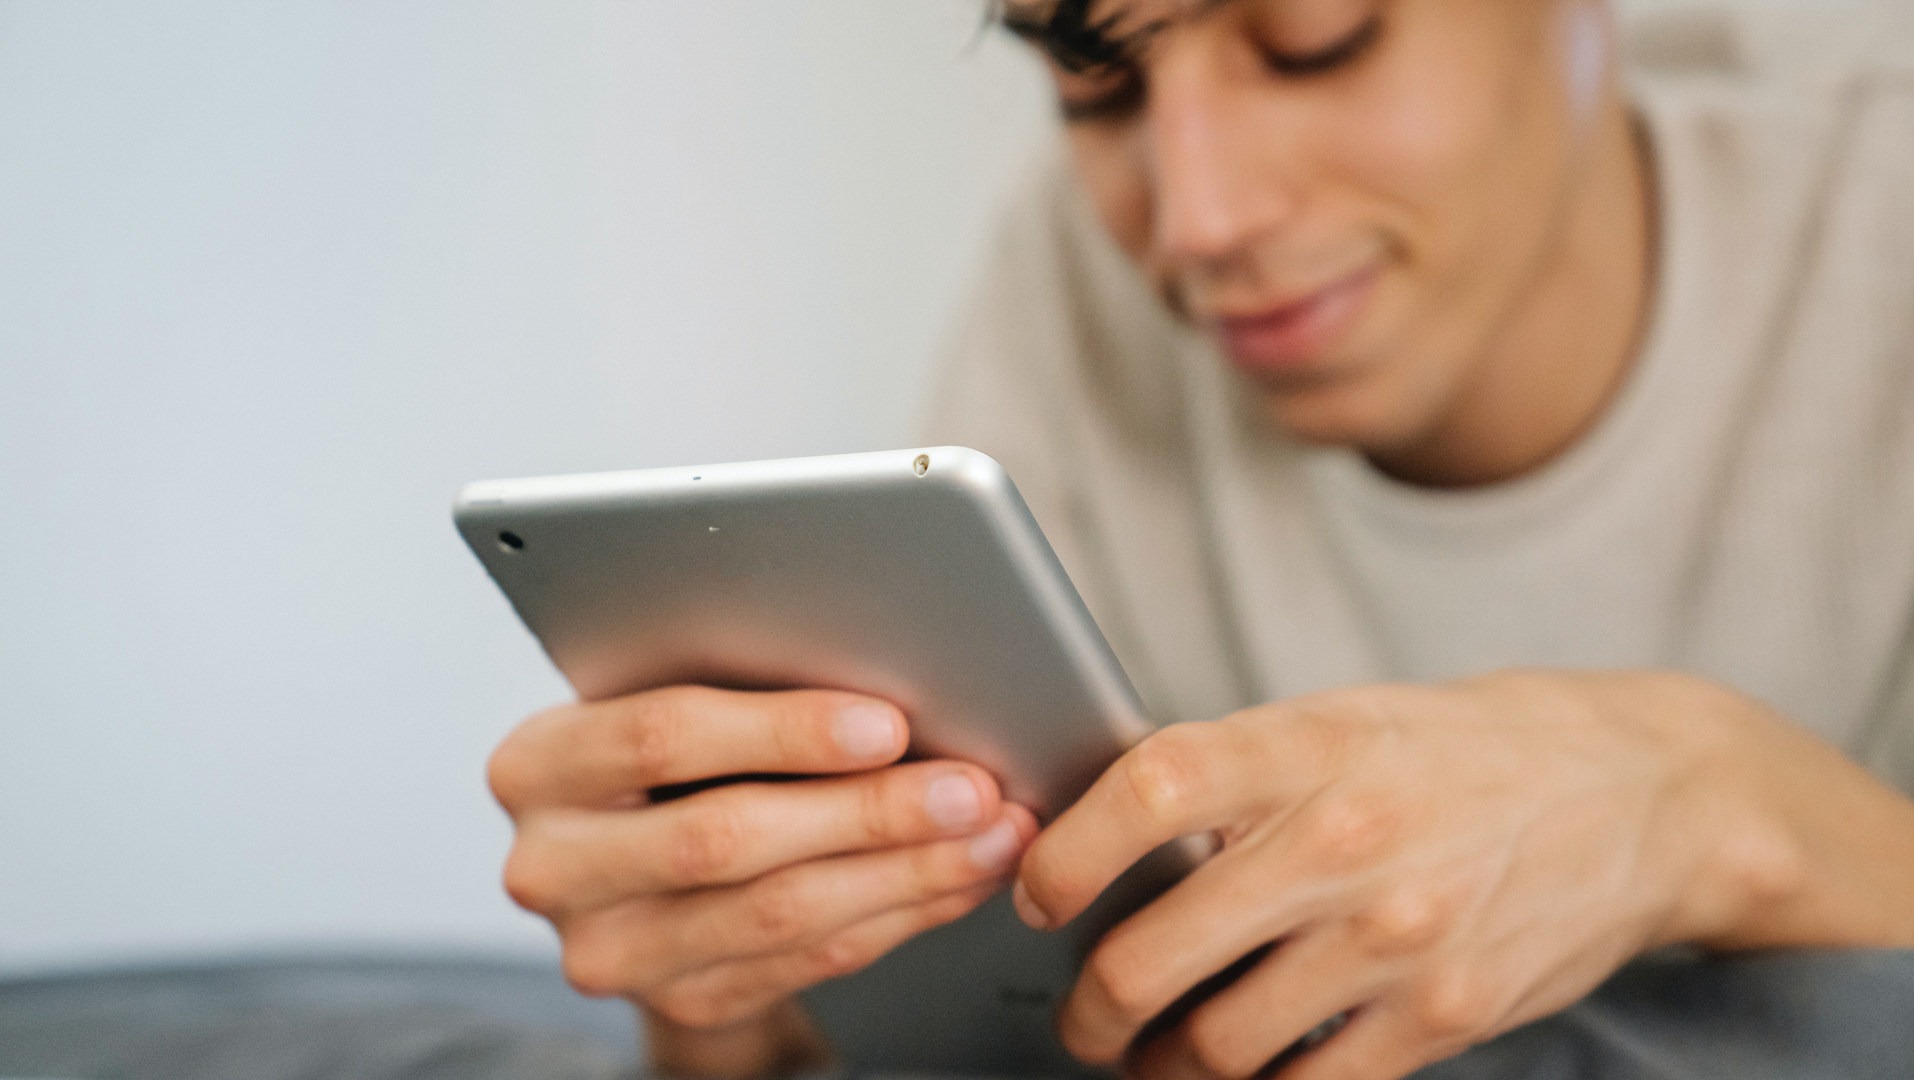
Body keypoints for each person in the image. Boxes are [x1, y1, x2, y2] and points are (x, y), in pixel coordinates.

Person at [484, 1, 1914, 1077]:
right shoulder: (1067, 280)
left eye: (1313, 42)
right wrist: (722, 1005)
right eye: (1094, 90)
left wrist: (1711, 799)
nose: (1200, 219)